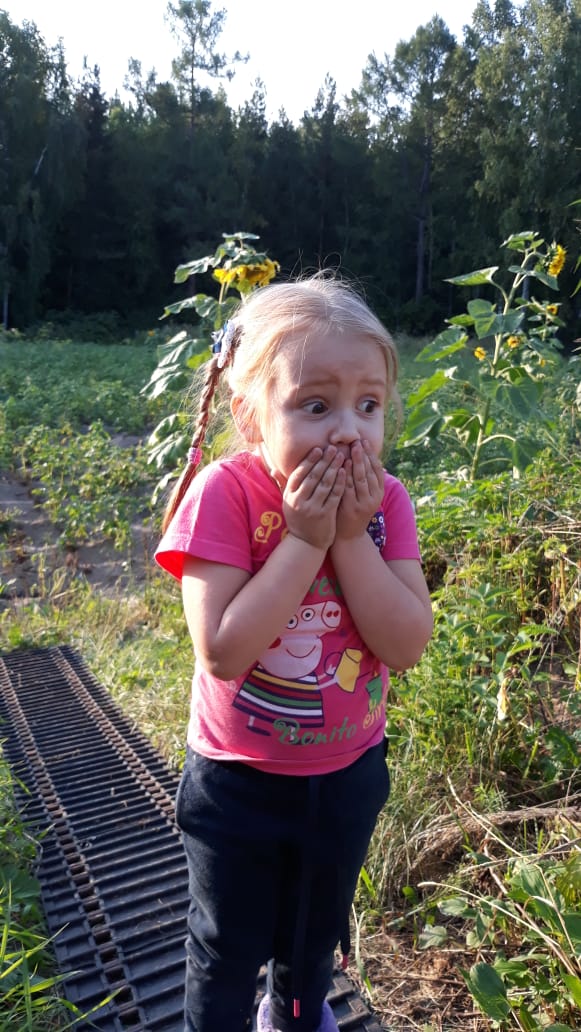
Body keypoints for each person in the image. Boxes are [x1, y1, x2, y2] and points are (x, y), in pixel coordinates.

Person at [155, 275, 433, 1032]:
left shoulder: (386, 505)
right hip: (237, 782)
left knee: (313, 942)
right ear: (250, 415)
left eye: (368, 405)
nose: (348, 432)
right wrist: (306, 539)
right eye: (316, 406)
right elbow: (222, 649)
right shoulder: (226, 495)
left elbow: (405, 643)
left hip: (346, 776)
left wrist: (349, 537)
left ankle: (295, 1015)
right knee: (225, 945)